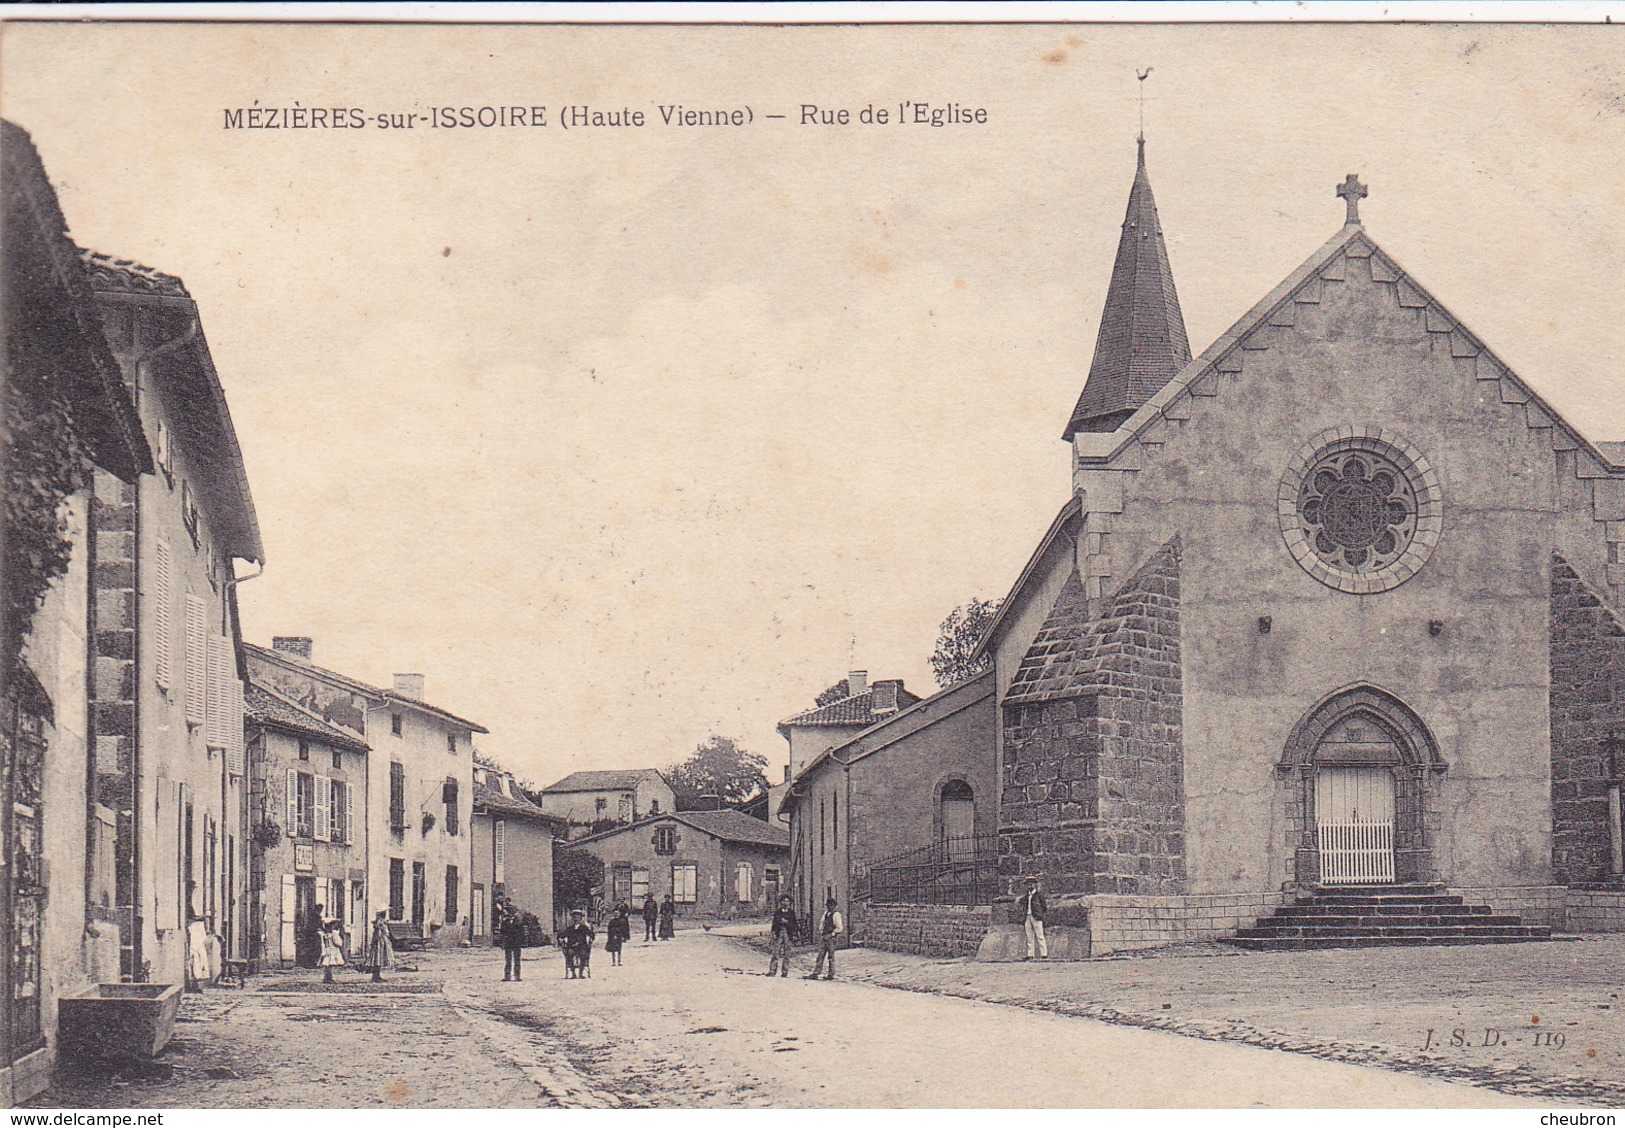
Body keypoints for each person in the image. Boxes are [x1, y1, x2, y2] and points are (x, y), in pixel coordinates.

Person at [805, 897, 842, 981]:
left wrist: (832, 934)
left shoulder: (836, 915)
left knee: (831, 956)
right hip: (824, 937)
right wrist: (821, 932)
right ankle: (816, 973)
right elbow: (822, 924)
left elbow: (839, 928)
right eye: (828, 905)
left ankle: (831, 974)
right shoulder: (826, 913)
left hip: (831, 938)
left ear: (835, 906)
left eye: (831, 905)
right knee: (820, 955)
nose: (830, 907)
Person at [766, 894, 798, 977]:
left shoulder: (792, 913)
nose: (785, 903)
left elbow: (795, 925)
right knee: (775, 952)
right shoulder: (777, 913)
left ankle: (785, 971)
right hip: (779, 933)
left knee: (787, 953)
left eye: (787, 901)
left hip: (788, 933)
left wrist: (787, 923)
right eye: (783, 901)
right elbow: (774, 924)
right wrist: (773, 933)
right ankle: (772, 970)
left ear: (790, 903)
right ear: (780, 902)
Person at [560, 908, 595, 978]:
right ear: (572, 918)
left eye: (577, 917)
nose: (576, 919)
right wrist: (562, 941)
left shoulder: (584, 928)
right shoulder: (570, 928)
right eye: (574, 917)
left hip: (582, 947)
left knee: (583, 955)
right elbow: (562, 935)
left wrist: (590, 941)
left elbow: (592, 935)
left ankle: (581, 973)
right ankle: (573, 973)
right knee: (569, 955)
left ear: (580, 919)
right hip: (572, 947)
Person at [1020, 876, 1049, 960]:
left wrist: (1039, 913)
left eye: (1031, 885)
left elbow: (1044, 907)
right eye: (1028, 885)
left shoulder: (1039, 896)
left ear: (1035, 885)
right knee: (1029, 936)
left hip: (1036, 917)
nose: (1029, 886)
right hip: (1028, 916)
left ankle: (1044, 953)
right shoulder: (1026, 896)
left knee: (1040, 935)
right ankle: (1030, 954)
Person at [499, 899, 526, 981]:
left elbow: (522, 933)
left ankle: (517, 976)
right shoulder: (505, 922)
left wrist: (522, 942)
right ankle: (507, 976)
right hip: (508, 943)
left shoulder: (518, 922)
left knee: (517, 960)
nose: (505, 913)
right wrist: (502, 943)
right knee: (508, 960)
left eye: (506, 912)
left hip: (516, 943)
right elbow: (502, 933)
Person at [366, 910, 393, 983]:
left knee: (379, 959)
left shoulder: (382, 922)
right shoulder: (380, 923)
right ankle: (375, 976)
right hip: (379, 942)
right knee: (377, 959)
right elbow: (378, 934)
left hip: (382, 942)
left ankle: (377, 975)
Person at [319, 914, 347, 984]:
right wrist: (341, 941)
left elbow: (323, 943)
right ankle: (328, 977)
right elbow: (338, 943)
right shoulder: (334, 934)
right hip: (333, 950)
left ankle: (327, 977)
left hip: (327, 949)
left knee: (327, 964)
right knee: (330, 964)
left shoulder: (324, 934)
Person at [605, 903, 630, 967]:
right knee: (613, 949)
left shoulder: (622, 921)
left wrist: (624, 937)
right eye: (615, 914)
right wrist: (610, 936)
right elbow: (609, 929)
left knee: (619, 949)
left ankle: (619, 961)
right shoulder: (611, 921)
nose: (616, 915)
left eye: (617, 914)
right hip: (613, 937)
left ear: (619, 914)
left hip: (619, 936)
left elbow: (624, 930)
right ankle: (613, 961)